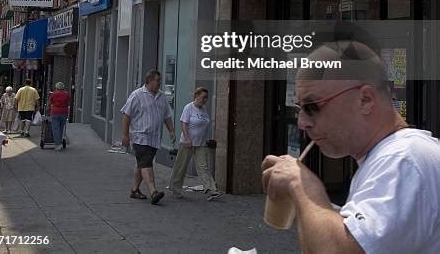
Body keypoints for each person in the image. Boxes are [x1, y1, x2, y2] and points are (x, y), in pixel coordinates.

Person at [262, 41, 440, 253]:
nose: (302, 122)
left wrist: (301, 184)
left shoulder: (402, 160)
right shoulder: (387, 158)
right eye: (300, 108)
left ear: (365, 100)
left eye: (312, 107)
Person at [121, 70, 176, 205]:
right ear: (149, 80)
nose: (159, 83)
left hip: (154, 137)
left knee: (142, 163)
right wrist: (125, 135)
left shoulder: (162, 96)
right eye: (157, 80)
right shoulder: (137, 95)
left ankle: (135, 190)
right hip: (140, 136)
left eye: (160, 80)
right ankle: (153, 191)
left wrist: (171, 131)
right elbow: (126, 115)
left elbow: (167, 115)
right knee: (146, 163)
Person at [170, 86, 222, 201]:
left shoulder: (204, 110)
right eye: (203, 97)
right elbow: (184, 123)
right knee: (181, 167)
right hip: (187, 143)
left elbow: (206, 126)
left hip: (201, 144)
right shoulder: (189, 108)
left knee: (203, 167)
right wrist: (187, 139)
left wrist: (208, 139)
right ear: (196, 96)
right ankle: (175, 189)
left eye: (206, 98)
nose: (205, 100)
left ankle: (211, 190)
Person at [47, 82, 70, 151]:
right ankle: (59, 142)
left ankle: (57, 144)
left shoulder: (54, 94)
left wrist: (48, 110)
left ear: (56, 87)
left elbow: (49, 103)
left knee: (55, 129)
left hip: (55, 112)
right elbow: (69, 102)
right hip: (64, 112)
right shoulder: (67, 94)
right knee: (61, 128)